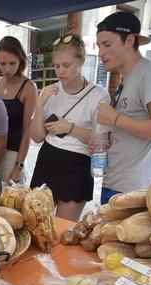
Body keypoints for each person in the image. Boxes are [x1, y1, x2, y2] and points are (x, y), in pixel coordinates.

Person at [95, 12, 151, 204]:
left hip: (134, 190)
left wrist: (115, 119)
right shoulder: (129, 77)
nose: (101, 53)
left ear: (129, 40)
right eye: (99, 46)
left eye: (107, 45)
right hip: (115, 182)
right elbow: (132, 126)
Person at [29, 34, 110, 221]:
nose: (60, 71)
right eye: (57, 66)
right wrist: (39, 106)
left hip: (76, 165)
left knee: (62, 228)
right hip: (47, 159)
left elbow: (102, 142)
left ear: (81, 61)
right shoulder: (51, 91)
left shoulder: (98, 95)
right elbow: (37, 137)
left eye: (66, 65)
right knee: (37, 224)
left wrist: (70, 128)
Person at [0, 36, 37, 184]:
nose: (7, 69)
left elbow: (27, 130)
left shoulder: (29, 87)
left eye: (12, 63)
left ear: (21, 61)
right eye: (2, 63)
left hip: (13, 154)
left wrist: (19, 166)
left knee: (10, 200)